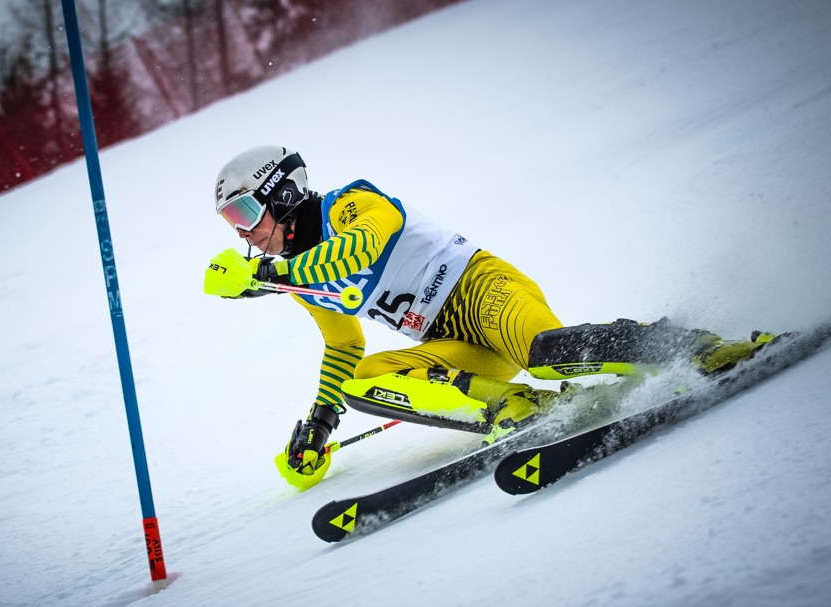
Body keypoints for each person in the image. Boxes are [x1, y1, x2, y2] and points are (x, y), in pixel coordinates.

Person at [204, 145, 773, 480]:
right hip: (455, 342)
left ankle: (700, 347)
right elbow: (344, 345)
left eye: (246, 213)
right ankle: (517, 407)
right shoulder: (301, 279)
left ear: (282, 195)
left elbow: (359, 250)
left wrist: (267, 277)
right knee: (364, 379)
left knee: (546, 353)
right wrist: (319, 425)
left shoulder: (351, 204)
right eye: (233, 223)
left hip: (481, 291)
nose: (244, 233)